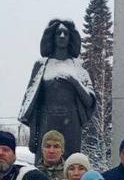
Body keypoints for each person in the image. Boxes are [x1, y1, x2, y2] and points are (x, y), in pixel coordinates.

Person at [19, 18, 96, 159]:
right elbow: (32, 100)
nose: (61, 36)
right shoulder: (41, 65)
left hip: (71, 124)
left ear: (70, 37)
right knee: (45, 162)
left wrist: (75, 82)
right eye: (58, 33)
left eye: (65, 33)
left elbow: (90, 101)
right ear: (51, 38)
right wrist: (33, 133)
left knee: (71, 164)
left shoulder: (78, 65)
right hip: (47, 122)